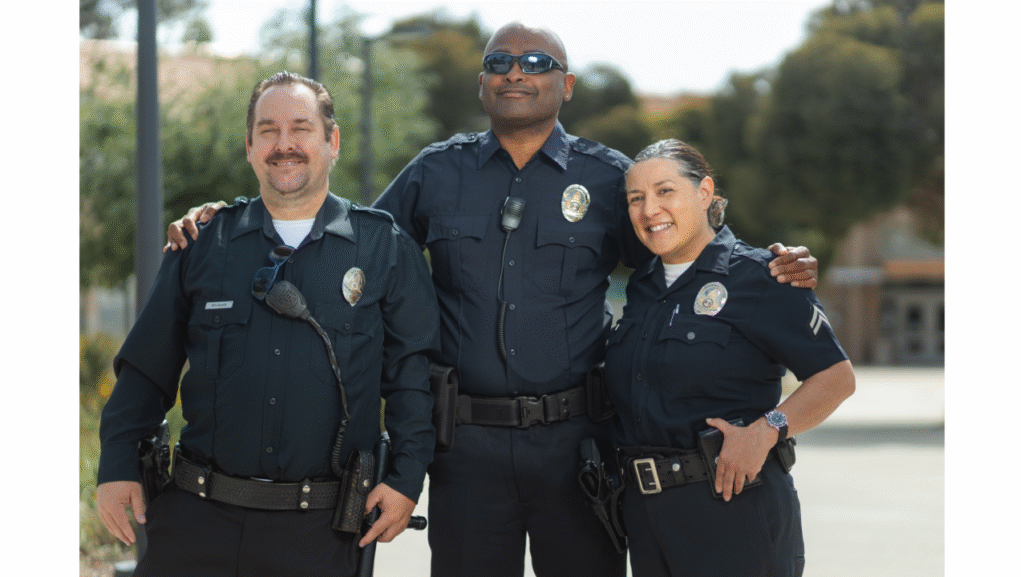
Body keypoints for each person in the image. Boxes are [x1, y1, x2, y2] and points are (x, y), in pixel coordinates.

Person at [166, 23, 819, 577]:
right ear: (482, 84)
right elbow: (345, 243)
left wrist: (768, 264)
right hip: (466, 449)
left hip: (579, 446)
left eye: (536, 63)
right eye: (499, 62)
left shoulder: (608, 177)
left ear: (566, 84)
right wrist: (229, 218)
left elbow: (683, 246)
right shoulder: (435, 171)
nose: (515, 72)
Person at [96, 71, 440, 577]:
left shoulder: (383, 249)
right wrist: (117, 464)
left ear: (332, 142)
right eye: (268, 130)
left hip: (320, 534)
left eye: (301, 128)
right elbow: (147, 368)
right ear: (250, 146)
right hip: (196, 523)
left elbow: (412, 377)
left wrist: (407, 479)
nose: (284, 144)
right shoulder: (201, 244)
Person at [605, 138, 856, 577]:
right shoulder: (642, 287)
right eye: (636, 198)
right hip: (647, 520)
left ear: (704, 192)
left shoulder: (762, 276)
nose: (649, 210)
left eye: (665, 191)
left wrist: (768, 430)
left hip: (732, 507)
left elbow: (836, 378)